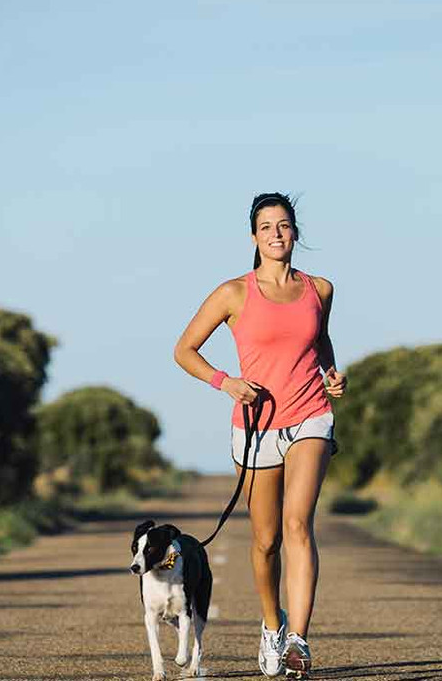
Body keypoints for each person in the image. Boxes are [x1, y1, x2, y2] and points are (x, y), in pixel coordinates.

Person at [173, 192, 347, 678]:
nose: (276, 234)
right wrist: (224, 382)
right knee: (266, 538)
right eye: (266, 227)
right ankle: (273, 624)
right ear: (254, 237)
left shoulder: (321, 289)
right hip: (255, 427)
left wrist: (333, 374)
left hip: (311, 414)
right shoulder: (234, 292)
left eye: (284, 225)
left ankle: (299, 641)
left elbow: (320, 340)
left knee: (298, 525)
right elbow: (184, 350)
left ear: (296, 233)